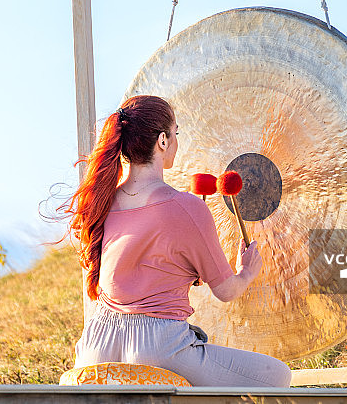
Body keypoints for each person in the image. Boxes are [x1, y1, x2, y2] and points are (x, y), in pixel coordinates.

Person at [61, 95, 291, 387]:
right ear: (162, 140)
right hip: (158, 347)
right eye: (175, 133)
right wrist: (246, 271)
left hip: (95, 346)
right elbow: (226, 291)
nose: (176, 142)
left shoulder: (102, 201)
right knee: (277, 376)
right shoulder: (186, 207)